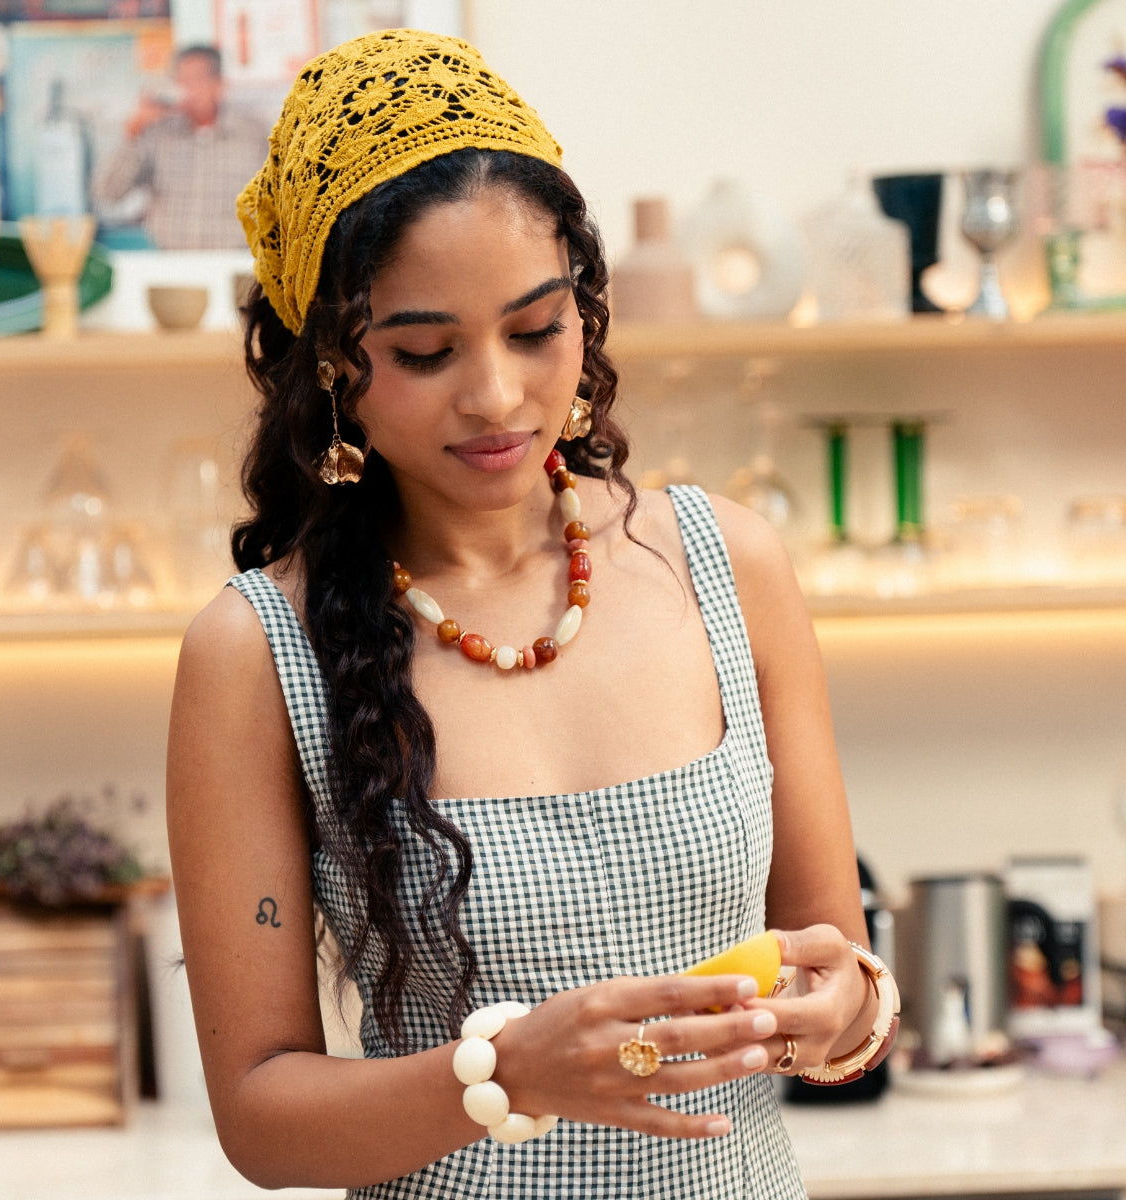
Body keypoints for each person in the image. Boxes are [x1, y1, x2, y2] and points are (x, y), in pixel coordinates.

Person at [166, 28, 899, 1198]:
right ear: (333, 367)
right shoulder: (256, 651)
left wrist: (845, 1012)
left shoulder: (726, 564)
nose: (498, 395)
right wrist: (505, 1072)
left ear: (586, 314)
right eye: (424, 350)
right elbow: (260, 1115)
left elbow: (841, 970)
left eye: (535, 328)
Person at [93, 44, 269, 250]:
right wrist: (133, 133)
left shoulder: (255, 135)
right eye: (181, 79)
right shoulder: (156, 134)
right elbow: (108, 192)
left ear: (219, 85)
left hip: (237, 266)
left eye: (197, 79)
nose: (188, 88)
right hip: (173, 267)